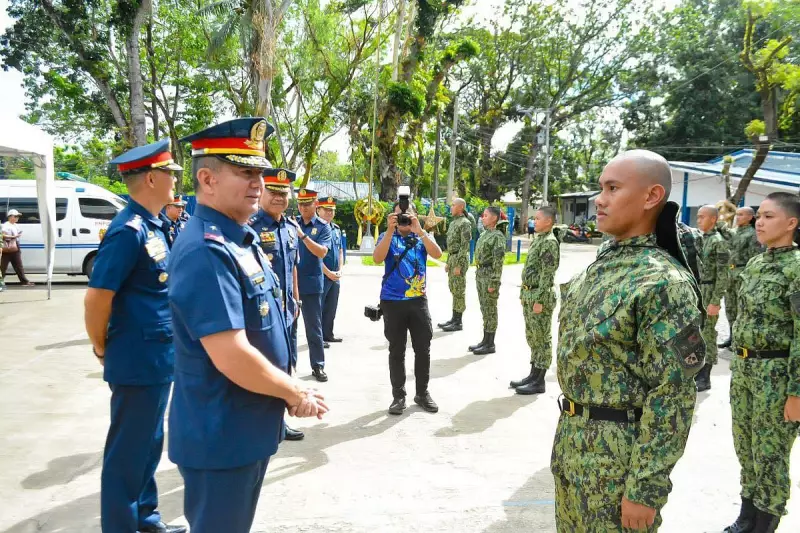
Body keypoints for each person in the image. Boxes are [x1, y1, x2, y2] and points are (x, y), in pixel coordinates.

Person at [168, 118, 328, 533]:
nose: (258, 183)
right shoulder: (207, 249)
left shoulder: (238, 238)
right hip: (222, 431)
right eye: (244, 172)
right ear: (207, 179)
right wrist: (294, 391)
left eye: (259, 172)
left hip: (245, 425)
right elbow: (232, 354)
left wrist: (287, 389)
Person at [551, 150, 704, 532]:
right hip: (572, 443)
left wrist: (645, 489)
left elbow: (672, 394)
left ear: (652, 196)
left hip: (618, 462)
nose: (599, 200)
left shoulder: (663, 282)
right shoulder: (603, 265)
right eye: (601, 188)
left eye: (612, 188)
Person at [83, 138, 186, 533]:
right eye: (169, 174)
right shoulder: (128, 230)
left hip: (157, 356)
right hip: (137, 357)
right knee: (127, 452)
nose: (175, 180)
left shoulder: (154, 225)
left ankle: (145, 517)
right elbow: (97, 298)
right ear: (151, 179)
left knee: (148, 443)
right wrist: (101, 346)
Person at [724, 192, 800, 533]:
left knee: (770, 453)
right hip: (744, 369)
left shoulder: (797, 268)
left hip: (777, 374)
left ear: (791, 222)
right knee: (745, 446)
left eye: (769, 216)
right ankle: (748, 513)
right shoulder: (756, 264)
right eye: (759, 216)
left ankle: (766, 522)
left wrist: (796, 392)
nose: (760, 222)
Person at [248, 167, 305, 442]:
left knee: (286, 363)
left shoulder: (291, 228)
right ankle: (262, 422)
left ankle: (278, 421)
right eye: (273, 192)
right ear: (261, 192)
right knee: (265, 366)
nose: (279, 197)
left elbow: (293, 267)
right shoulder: (250, 227)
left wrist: (296, 300)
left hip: (287, 311)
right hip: (263, 313)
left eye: (283, 193)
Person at [373, 202, 443, 415]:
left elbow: (438, 254)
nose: (403, 218)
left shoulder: (421, 237)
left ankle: (422, 393)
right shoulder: (387, 236)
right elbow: (377, 258)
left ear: (415, 215)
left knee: (423, 348)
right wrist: (389, 231)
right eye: (399, 215)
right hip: (392, 301)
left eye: (407, 214)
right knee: (397, 350)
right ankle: (398, 396)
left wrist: (420, 231)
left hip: (418, 301)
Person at [511, 205, 560, 395]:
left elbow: (547, 274)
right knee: (533, 336)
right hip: (530, 294)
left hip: (540, 295)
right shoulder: (539, 239)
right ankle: (533, 374)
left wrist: (539, 300)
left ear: (548, 221)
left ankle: (539, 381)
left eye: (538, 218)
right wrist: (524, 295)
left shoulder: (549, 242)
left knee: (542, 338)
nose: (534, 221)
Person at [295, 189, 332, 382]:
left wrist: (302, 236)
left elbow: (321, 252)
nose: (303, 208)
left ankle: (318, 365)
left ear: (316, 204)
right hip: (291, 283)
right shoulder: (291, 223)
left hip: (311, 284)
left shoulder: (323, 227)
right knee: (288, 327)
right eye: (300, 204)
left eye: (307, 204)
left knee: (314, 328)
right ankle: (288, 366)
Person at [694, 205, 730, 392]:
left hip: (709, 291)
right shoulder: (701, 239)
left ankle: (705, 376)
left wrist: (715, 301)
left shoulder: (718, 241)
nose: (698, 220)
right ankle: (697, 369)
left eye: (702, 217)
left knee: (708, 334)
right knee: (696, 333)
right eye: (698, 217)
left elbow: (723, 274)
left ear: (713, 219)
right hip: (699, 290)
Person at [718, 207, 761, 349]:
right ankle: (731, 337)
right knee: (730, 306)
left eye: (741, 215)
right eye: (737, 214)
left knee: (741, 307)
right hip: (730, 273)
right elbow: (722, 230)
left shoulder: (753, 234)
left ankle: (740, 340)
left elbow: (755, 257)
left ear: (750, 217)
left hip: (743, 273)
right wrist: (721, 216)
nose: (738, 217)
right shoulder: (735, 231)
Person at [468, 206, 506, 355]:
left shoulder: (498, 236)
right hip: (481, 273)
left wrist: (494, 282)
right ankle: (485, 340)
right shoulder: (485, 234)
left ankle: (490, 343)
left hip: (490, 275)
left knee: (490, 309)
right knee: (484, 308)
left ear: (494, 218)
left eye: (485, 215)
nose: (482, 218)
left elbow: (498, 261)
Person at [437, 197, 472, 332]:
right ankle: (453, 318)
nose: (451, 207)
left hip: (459, 258)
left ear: (461, 207)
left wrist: (459, 265)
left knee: (459, 290)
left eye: (453, 205)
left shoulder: (465, 223)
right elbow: (451, 244)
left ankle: (458, 321)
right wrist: (448, 262)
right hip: (452, 257)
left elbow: (464, 245)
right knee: (453, 288)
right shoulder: (453, 223)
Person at [317, 196, 344, 345]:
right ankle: (318, 338)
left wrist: (340, 269)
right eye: (326, 210)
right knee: (318, 308)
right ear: (318, 210)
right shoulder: (316, 229)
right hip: (321, 274)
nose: (329, 213)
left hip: (335, 276)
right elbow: (314, 256)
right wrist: (327, 272)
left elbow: (340, 251)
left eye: (332, 210)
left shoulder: (336, 229)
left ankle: (328, 334)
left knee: (331, 307)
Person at [1, 209, 34, 286]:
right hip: (7, 247)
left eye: (18, 216)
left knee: (18, 265)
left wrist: (17, 236)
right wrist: (13, 236)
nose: (17, 218)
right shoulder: (5, 225)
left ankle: (24, 281)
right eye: (16, 216)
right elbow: (2, 235)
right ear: (10, 217)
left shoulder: (15, 225)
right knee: (3, 267)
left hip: (15, 246)